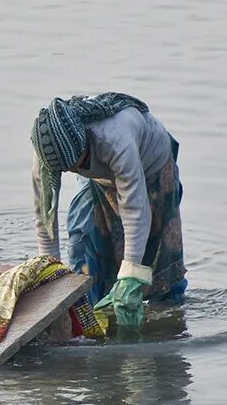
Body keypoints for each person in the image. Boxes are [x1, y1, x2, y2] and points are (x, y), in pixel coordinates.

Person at [30, 93, 187, 330]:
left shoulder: (115, 139)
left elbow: (135, 210)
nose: (71, 171)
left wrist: (131, 276)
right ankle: (87, 318)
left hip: (150, 166)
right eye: (66, 169)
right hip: (99, 178)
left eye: (75, 164)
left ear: (84, 144)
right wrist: (50, 276)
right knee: (83, 242)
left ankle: (169, 320)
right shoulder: (47, 154)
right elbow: (45, 217)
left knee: (158, 253)